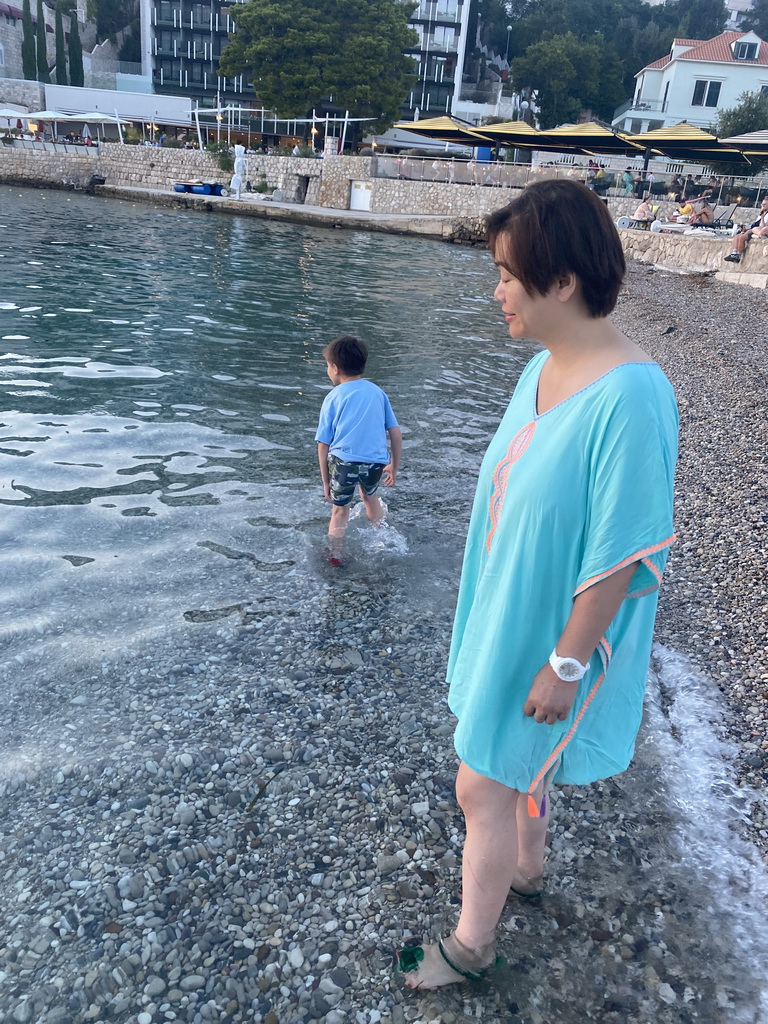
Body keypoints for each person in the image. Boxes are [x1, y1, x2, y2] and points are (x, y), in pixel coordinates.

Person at [397, 179, 677, 990]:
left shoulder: (631, 395)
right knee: (521, 770)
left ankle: (471, 948)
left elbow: (626, 550)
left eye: (510, 276)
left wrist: (565, 663)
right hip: (510, 611)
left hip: (556, 636)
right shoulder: (547, 367)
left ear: (563, 282)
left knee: (480, 782)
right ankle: (529, 865)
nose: (497, 291)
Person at [315, 336, 402, 552]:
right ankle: (383, 539)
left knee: (340, 510)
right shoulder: (378, 393)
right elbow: (395, 432)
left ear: (335, 368)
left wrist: (326, 482)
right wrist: (394, 465)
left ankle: (335, 555)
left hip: (344, 463)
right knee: (370, 497)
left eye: (327, 366)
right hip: (375, 463)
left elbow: (323, 445)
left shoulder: (333, 397)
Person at [724, 196, 768, 262]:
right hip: (754, 229)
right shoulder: (762, 213)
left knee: (742, 237)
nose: (762, 206)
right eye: (762, 204)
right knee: (737, 236)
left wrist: (762, 217)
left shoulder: (765, 215)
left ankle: (738, 254)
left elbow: (762, 226)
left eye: (765, 204)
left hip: (758, 230)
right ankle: (734, 253)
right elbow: (755, 224)